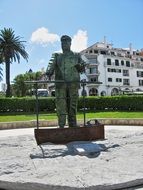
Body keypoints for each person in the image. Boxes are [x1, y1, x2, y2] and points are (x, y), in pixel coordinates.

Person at [46, 35, 85, 128]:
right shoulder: (56, 55)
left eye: (66, 42)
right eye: (62, 43)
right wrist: (49, 72)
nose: (64, 44)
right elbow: (50, 64)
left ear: (70, 43)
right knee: (61, 105)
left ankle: (72, 124)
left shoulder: (77, 55)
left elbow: (82, 68)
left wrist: (82, 66)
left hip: (73, 84)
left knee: (72, 105)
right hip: (60, 85)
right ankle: (61, 125)